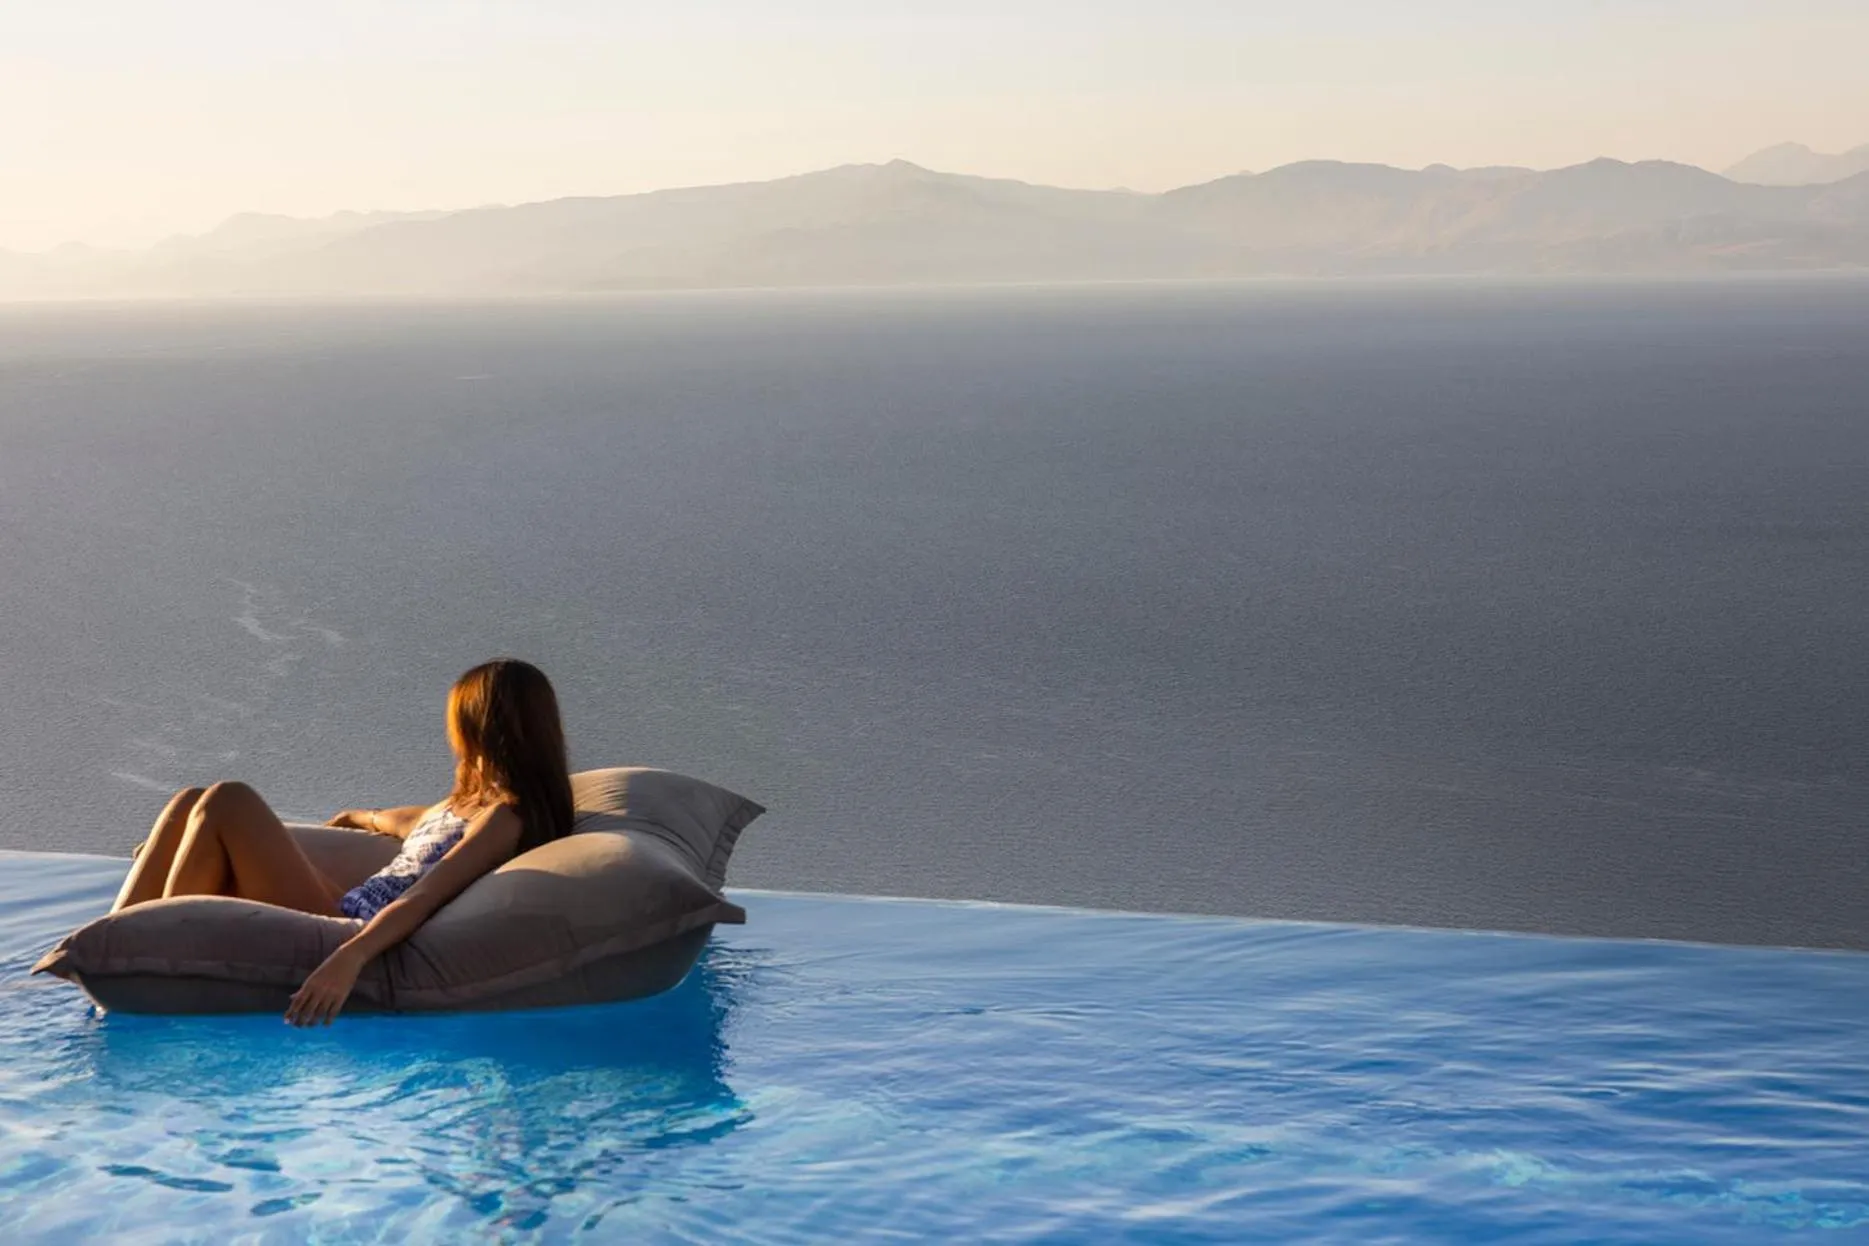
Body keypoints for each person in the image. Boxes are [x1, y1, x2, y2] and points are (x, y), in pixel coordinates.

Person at [110, 658, 574, 1026]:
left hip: (345, 928)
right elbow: (403, 822)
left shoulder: (505, 818)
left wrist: (348, 959)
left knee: (229, 800)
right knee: (189, 800)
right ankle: (111, 937)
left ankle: (154, 953)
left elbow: (424, 898)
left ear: (483, 729)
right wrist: (358, 816)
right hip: (346, 905)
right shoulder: (466, 802)